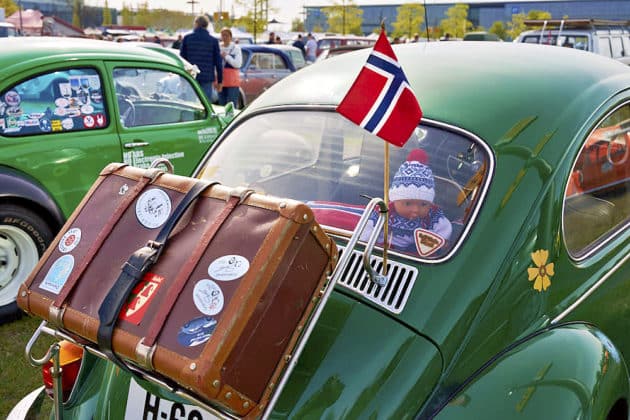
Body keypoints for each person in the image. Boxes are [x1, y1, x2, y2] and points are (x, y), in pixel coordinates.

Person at [361, 149, 452, 256]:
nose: (416, 210)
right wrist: (365, 244)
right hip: (383, 252)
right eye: (408, 203)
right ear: (395, 200)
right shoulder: (384, 212)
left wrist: (443, 241)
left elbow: (444, 229)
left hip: (415, 256)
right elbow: (367, 231)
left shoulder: (432, 216)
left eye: (423, 204)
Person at [180, 15, 223, 103]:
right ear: (207, 25)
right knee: (205, 104)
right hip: (207, 77)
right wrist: (220, 81)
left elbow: (182, 59)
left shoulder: (187, 38)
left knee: (190, 104)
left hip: (191, 76)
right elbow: (218, 63)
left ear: (196, 24)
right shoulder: (213, 41)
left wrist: (182, 76)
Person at [218, 27, 243, 108]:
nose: (224, 37)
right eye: (223, 35)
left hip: (232, 81)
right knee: (221, 104)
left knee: (232, 105)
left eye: (226, 35)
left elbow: (238, 64)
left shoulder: (236, 48)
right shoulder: (218, 47)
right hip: (220, 80)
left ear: (230, 37)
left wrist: (226, 56)